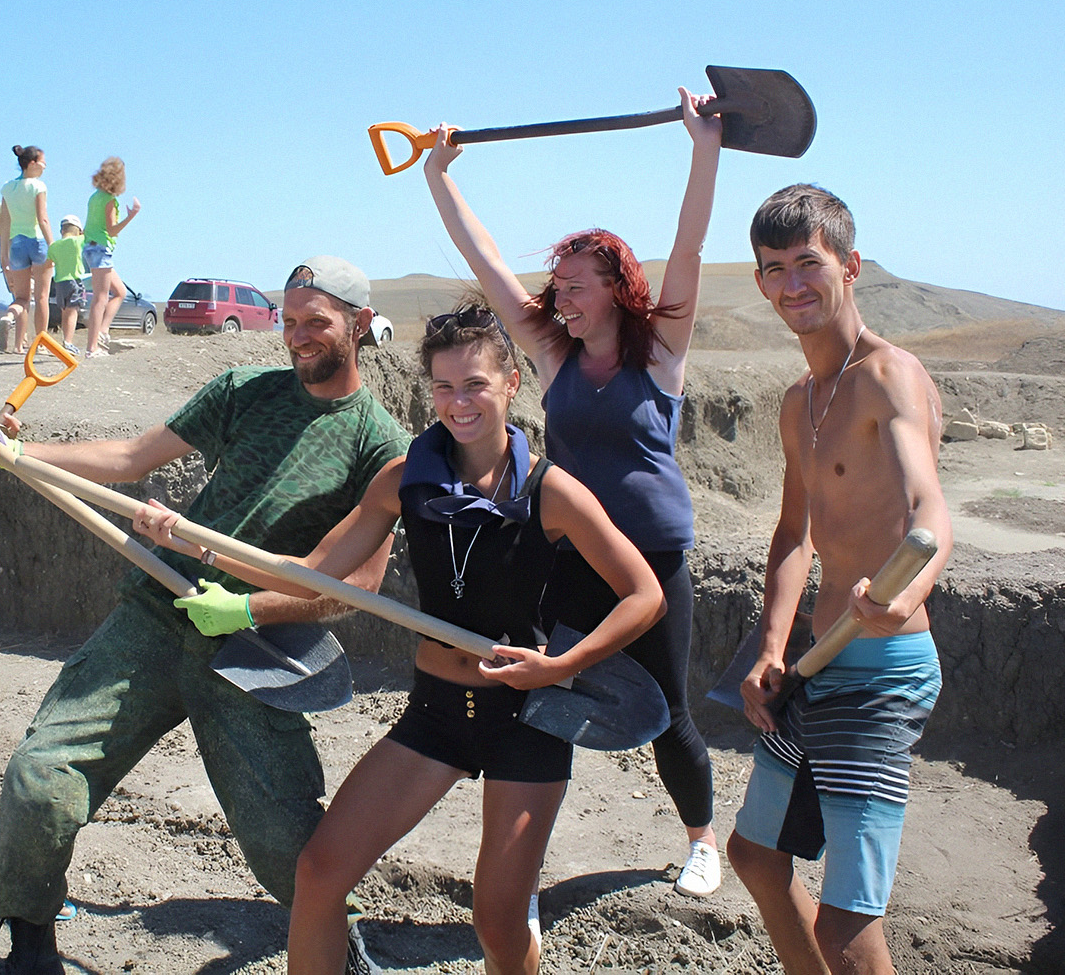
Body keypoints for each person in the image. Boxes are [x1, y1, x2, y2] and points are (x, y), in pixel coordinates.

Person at [133, 304, 665, 975]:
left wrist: (563, 662)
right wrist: (189, 539)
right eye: (443, 387)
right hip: (436, 714)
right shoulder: (405, 480)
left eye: (474, 384)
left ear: (510, 385)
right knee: (320, 873)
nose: (458, 402)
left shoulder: (548, 491)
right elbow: (308, 574)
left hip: (527, 719)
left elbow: (645, 595)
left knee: (499, 923)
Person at [0, 257, 408, 974]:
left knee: (286, 842)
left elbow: (358, 585)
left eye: (315, 322)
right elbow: (132, 457)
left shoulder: (379, 443)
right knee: (41, 779)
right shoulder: (244, 392)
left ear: (357, 325)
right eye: (287, 321)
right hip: (161, 612)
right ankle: (30, 936)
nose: (297, 337)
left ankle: (336, 944)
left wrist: (247, 607)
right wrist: (15, 454)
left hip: (256, 649)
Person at [422, 90, 726, 898]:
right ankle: (520, 848)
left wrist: (704, 148)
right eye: (557, 284)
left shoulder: (659, 355)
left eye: (577, 284)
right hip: (567, 551)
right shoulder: (554, 356)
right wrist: (438, 177)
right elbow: (487, 264)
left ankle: (702, 840)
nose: (561, 296)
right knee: (541, 683)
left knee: (667, 708)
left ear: (618, 287)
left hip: (651, 562)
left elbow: (689, 249)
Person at [726, 185, 951, 975]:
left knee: (847, 926)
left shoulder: (890, 376)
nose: (792, 284)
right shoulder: (799, 401)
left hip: (883, 668)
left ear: (850, 267)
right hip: (818, 666)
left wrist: (905, 597)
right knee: (755, 856)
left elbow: (930, 510)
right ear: (759, 283)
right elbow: (793, 535)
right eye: (773, 268)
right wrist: (771, 648)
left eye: (808, 264)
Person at [0, 145, 57, 353]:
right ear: (32, 163)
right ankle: (40, 342)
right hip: (37, 241)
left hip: (16, 243)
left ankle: (9, 319)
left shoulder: (7, 188)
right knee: (42, 296)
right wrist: (54, 246)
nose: (44, 166)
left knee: (21, 298)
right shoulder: (38, 186)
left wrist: (5, 252)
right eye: (42, 162)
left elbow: (4, 222)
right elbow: (42, 218)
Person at [82, 156, 139, 358]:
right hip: (100, 250)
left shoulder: (95, 196)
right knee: (100, 298)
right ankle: (92, 347)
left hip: (89, 248)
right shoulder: (109, 200)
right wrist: (131, 217)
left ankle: (102, 332)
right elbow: (112, 230)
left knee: (120, 292)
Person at [47, 215, 86, 354]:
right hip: (74, 280)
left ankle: (66, 339)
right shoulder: (78, 241)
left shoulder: (54, 246)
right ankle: (68, 342)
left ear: (62, 230)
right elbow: (90, 234)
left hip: (59, 282)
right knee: (73, 311)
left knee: (65, 312)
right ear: (78, 231)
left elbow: (48, 263)